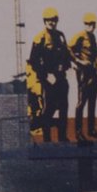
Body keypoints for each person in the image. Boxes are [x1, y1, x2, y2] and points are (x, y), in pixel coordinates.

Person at [28, 7, 72, 142]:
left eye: (53, 20)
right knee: (50, 108)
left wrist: (65, 66)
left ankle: (62, 137)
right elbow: (34, 61)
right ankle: (47, 139)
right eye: (48, 20)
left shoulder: (60, 36)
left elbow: (66, 55)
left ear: (57, 21)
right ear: (44, 21)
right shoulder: (39, 38)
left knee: (64, 107)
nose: (51, 23)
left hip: (61, 77)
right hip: (48, 79)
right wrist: (46, 75)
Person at [69, 12, 97, 140]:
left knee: (93, 101)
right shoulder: (79, 36)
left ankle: (91, 129)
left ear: (95, 25)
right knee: (82, 102)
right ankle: (78, 132)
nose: (89, 26)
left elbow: (94, 53)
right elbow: (68, 49)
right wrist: (77, 61)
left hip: (93, 72)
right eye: (87, 24)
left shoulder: (93, 37)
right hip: (83, 72)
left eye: (91, 24)